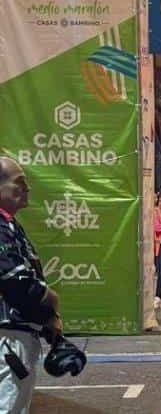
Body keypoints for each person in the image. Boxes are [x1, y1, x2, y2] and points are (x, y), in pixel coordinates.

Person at [0, 157, 63, 412]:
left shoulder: (9, 225)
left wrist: (49, 322)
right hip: (7, 337)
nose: (27, 189)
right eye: (20, 183)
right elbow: (16, 281)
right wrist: (51, 300)